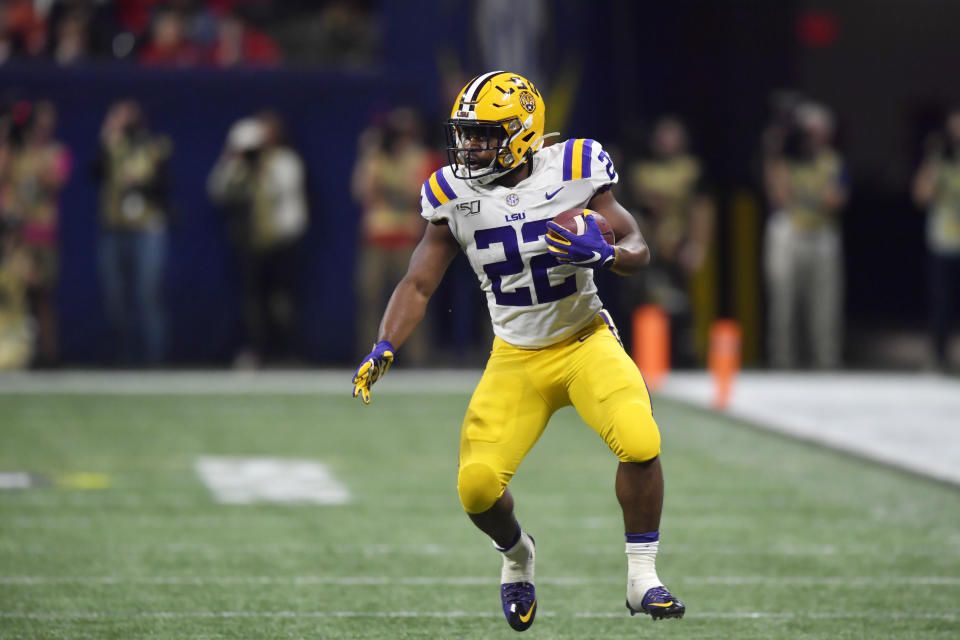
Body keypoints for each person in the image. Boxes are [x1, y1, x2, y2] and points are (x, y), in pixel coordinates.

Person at [351, 71, 684, 631]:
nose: (470, 147)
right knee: (477, 488)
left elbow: (637, 245)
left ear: (523, 131)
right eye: (466, 134)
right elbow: (418, 283)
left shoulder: (575, 167)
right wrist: (384, 344)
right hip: (516, 356)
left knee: (640, 438)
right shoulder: (452, 193)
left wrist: (605, 255)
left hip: (584, 341)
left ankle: (642, 577)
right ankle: (517, 555)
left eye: (483, 135)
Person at [208, 111, 307, 367]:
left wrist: (262, 168)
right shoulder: (238, 166)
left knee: (281, 301)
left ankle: (286, 353)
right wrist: (231, 159)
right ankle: (256, 351)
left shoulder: (285, 162)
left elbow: (283, 192)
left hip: (281, 242)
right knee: (251, 302)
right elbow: (217, 192)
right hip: (250, 243)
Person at [763, 101, 848, 369]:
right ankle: (782, 360)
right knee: (783, 300)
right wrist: (778, 146)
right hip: (788, 230)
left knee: (825, 303)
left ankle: (826, 360)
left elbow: (836, 199)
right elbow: (778, 195)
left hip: (822, 232)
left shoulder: (832, 161)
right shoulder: (784, 159)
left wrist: (807, 197)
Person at [351, 107, 436, 365]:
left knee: (414, 298)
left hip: (407, 238)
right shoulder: (376, 158)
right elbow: (359, 191)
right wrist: (370, 156)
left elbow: (421, 196)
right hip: (376, 237)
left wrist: (391, 184)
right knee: (370, 298)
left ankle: (417, 358)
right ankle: (369, 356)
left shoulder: (420, 158)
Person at [626, 116, 714, 365]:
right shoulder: (641, 170)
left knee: (682, 306)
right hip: (648, 246)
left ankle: (684, 358)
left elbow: (701, 209)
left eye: (672, 135)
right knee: (645, 301)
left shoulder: (690, 169)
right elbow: (629, 209)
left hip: (679, 244)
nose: (667, 141)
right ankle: (644, 357)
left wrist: (699, 246)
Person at [94, 99, 172, 365]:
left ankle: (153, 361)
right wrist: (106, 140)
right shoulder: (112, 146)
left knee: (148, 295)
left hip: (147, 228)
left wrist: (141, 184)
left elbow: (166, 186)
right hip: (115, 228)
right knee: (116, 299)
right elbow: (94, 173)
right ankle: (123, 359)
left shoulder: (153, 146)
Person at [4, 101, 71, 366]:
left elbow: (55, 181)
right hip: (17, 237)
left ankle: (48, 355)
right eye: (39, 120)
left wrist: (36, 159)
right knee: (15, 296)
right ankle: (17, 353)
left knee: (44, 296)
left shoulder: (55, 151)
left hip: (43, 233)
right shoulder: (16, 151)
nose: (44, 125)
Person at [912, 108, 960, 371]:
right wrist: (932, 159)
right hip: (943, 244)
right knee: (941, 305)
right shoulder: (939, 163)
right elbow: (921, 197)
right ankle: (938, 357)